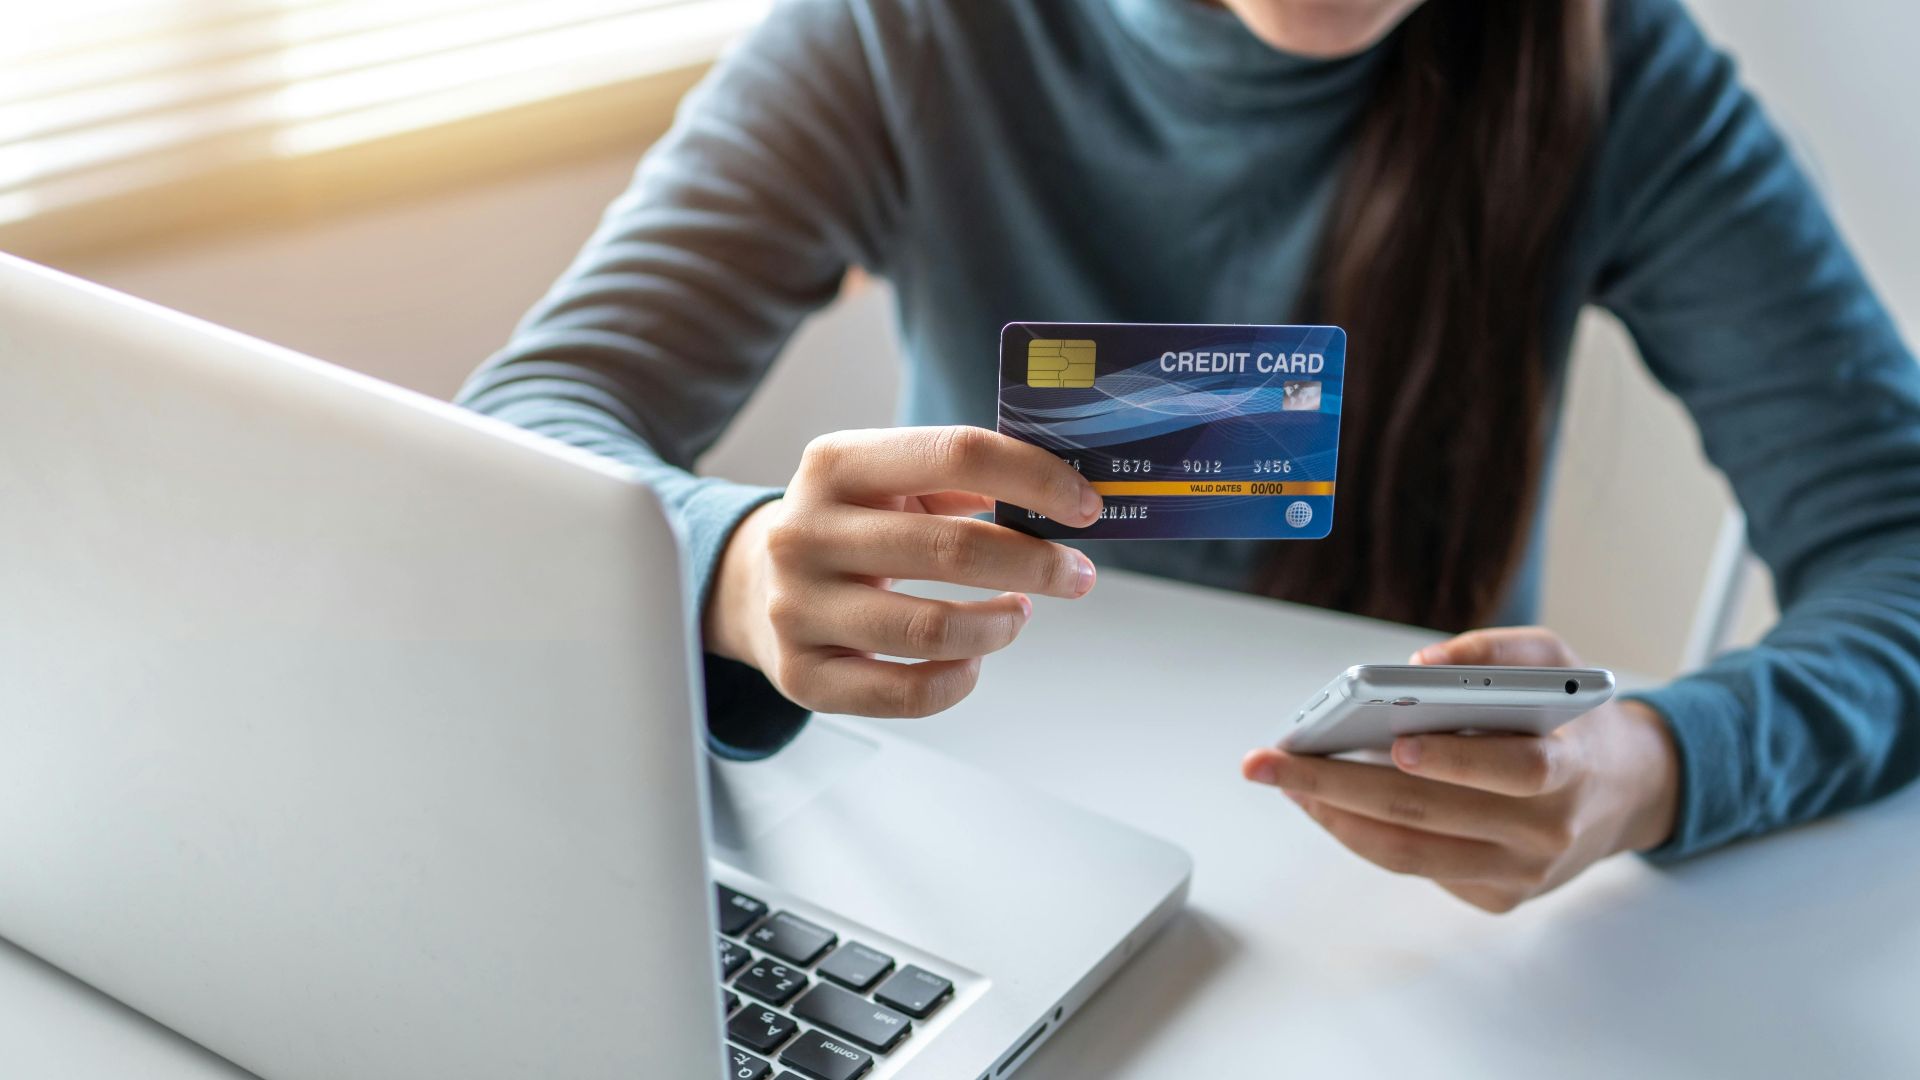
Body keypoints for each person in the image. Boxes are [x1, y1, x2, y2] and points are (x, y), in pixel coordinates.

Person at [458, 0, 1920, 913]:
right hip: (969, 853)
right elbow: (522, 426)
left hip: (1392, 925)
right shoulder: (896, 34)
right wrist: (735, 562)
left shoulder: (1620, 69)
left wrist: (1657, 761)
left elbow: (1900, 545)